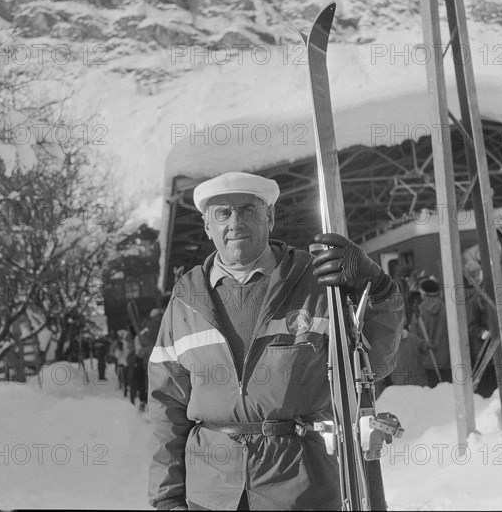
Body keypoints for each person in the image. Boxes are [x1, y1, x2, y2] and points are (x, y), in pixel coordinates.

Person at [147, 172, 403, 511]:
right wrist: (167, 497)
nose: (235, 222)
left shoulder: (318, 283)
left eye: (248, 209)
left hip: (301, 488)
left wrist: (379, 288)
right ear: (207, 226)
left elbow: (377, 361)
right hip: (210, 494)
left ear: (269, 218)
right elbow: (166, 409)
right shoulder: (185, 301)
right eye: (222, 213)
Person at [414, 278, 451, 388]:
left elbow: (415, 337)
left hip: (428, 359)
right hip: (448, 358)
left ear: (424, 294)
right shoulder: (448, 308)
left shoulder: (419, 312)